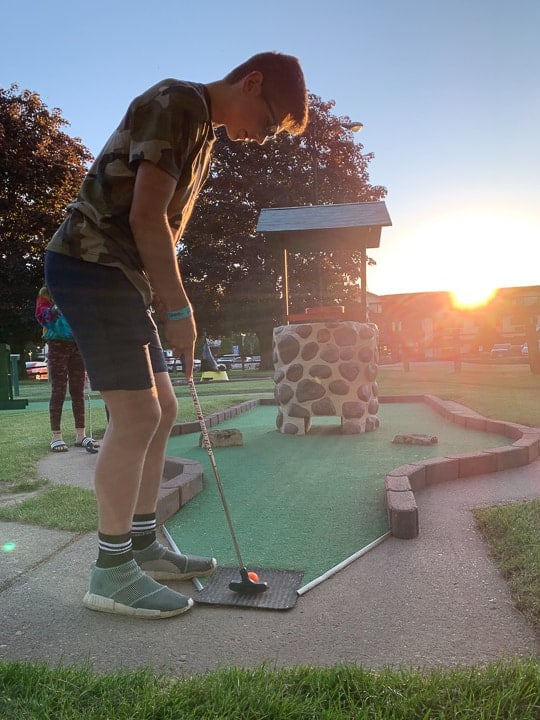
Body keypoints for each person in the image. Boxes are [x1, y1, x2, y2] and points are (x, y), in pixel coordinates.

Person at [44, 52, 308, 619]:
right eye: (267, 123)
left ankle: (142, 545)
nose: (262, 139)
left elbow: (157, 227)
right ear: (251, 82)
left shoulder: (203, 129)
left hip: (122, 274)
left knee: (162, 409)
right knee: (136, 413)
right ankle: (111, 572)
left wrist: (168, 302)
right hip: (91, 262)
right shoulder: (180, 102)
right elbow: (146, 217)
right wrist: (178, 309)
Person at [35, 287, 98, 454]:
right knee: (59, 390)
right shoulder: (46, 294)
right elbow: (44, 319)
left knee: (78, 391)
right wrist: (59, 305)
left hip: (77, 344)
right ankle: (56, 436)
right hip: (57, 345)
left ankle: (81, 435)